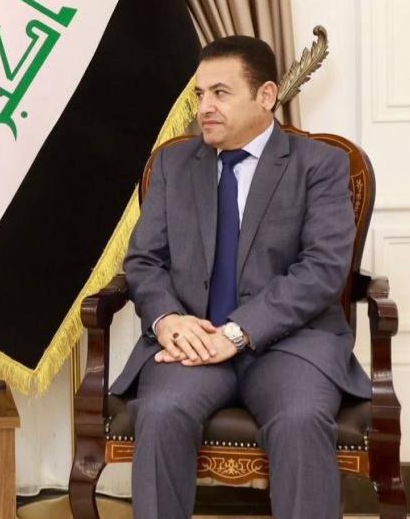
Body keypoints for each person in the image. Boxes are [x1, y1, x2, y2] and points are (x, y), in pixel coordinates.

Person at [110, 36, 371, 519]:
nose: (204, 107)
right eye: (200, 94)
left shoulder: (319, 165)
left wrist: (237, 332)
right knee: (161, 413)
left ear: (266, 95)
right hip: (192, 342)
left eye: (220, 93)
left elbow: (322, 268)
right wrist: (168, 320)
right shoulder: (172, 165)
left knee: (299, 419)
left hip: (290, 345)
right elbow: (144, 260)